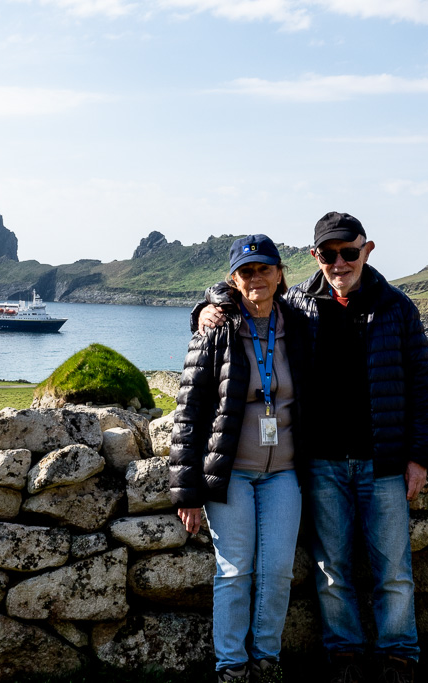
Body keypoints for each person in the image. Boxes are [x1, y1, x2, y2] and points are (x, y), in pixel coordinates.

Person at [197, 213, 428, 683]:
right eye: (329, 254)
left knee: (393, 570)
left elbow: (423, 384)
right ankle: (344, 656)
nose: (340, 262)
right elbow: (247, 293)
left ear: (367, 249)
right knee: (332, 571)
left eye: (349, 252)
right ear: (315, 258)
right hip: (322, 461)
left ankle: (399, 658)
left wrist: (419, 456)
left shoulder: (398, 307)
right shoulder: (302, 304)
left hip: (384, 460)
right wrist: (205, 305)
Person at [170, 234, 308, 683]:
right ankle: (231, 666)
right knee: (235, 571)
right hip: (229, 475)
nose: (256, 278)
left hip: (284, 472)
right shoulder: (215, 330)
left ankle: (266, 661)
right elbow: (188, 415)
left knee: (277, 571)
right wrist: (187, 492)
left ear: (280, 273)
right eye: (246, 271)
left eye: (264, 269)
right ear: (233, 279)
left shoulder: (299, 324)